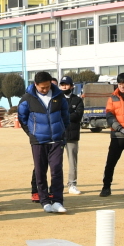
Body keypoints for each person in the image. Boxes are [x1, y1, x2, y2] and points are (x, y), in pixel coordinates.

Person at [18, 71, 69, 214]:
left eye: (47, 87)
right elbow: (22, 118)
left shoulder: (59, 96)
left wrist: (62, 132)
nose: (45, 90)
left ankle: (58, 201)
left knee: (57, 170)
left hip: (56, 139)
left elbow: (65, 116)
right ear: (35, 85)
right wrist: (32, 134)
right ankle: (45, 201)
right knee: (40, 171)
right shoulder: (27, 98)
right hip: (38, 141)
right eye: (42, 88)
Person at [58, 76, 84, 196]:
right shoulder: (56, 99)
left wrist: (64, 116)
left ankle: (72, 184)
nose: (64, 86)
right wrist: (69, 115)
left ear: (72, 86)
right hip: (58, 135)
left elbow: (78, 116)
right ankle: (56, 185)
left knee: (72, 161)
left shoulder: (77, 100)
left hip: (72, 135)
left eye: (66, 84)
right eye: (62, 84)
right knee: (55, 161)